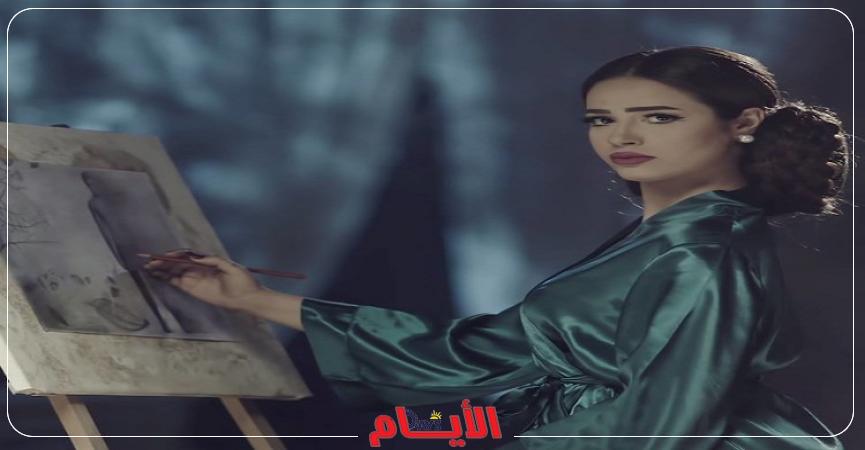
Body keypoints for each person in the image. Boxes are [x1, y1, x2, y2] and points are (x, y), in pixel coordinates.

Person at [143, 46, 849, 449]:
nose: (621, 137)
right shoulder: (664, 237)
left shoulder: (701, 255)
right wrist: (254, 299)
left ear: (744, 123)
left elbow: (660, 424)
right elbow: (480, 350)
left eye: (657, 117)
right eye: (600, 119)